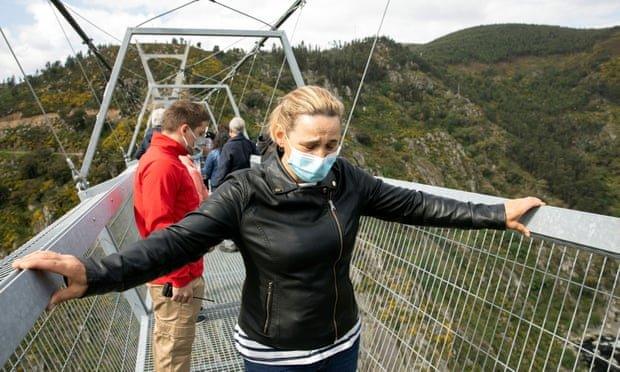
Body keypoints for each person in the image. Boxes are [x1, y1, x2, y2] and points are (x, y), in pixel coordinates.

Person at [12, 86, 544, 372]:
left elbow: (414, 204)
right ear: (280, 136)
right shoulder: (245, 191)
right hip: (275, 353)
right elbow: (175, 240)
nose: (323, 156)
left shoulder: (349, 180)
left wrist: (496, 213)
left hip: (342, 341)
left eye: (332, 146)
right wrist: (93, 272)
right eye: (311, 145)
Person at [132, 100, 209, 372]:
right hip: (175, 280)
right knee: (173, 353)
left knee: (176, 347)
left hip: (182, 273)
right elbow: (160, 229)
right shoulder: (162, 166)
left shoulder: (166, 161)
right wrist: (179, 278)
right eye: (199, 133)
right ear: (185, 129)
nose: (199, 141)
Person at [210, 117, 258, 189]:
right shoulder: (251, 145)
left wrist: (215, 185)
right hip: (249, 186)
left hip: (234, 187)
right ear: (243, 129)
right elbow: (257, 165)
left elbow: (223, 170)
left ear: (231, 130)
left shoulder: (228, 147)